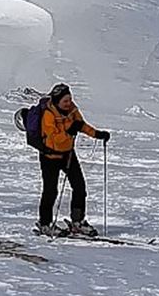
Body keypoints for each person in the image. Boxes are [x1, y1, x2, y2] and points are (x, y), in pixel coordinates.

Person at [36, 83, 110, 237]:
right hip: (50, 156)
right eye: (65, 101)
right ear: (57, 101)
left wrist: (97, 134)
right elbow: (54, 138)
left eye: (69, 99)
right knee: (50, 191)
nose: (68, 103)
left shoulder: (72, 109)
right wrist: (69, 131)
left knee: (79, 187)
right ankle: (45, 223)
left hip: (68, 154)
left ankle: (78, 221)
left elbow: (80, 125)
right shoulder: (48, 114)